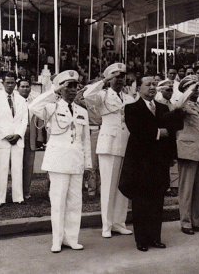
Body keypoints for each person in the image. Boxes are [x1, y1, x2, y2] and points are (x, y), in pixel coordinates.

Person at [29, 70, 92, 253]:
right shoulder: (51, 108)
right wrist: (53, 90)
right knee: (57, 201)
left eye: (74, 86)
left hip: (76, 162)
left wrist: (88, 164)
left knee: (75, 202)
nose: (73, 90)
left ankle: (71, 238)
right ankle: (57, 240)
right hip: (58, 162)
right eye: (68, 87)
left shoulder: (82, 112)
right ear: (61, 89)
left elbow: (85, 140)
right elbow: (33, 107)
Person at [119, 76, 181, 252]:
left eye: (154, 84)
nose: (152, 87)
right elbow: (136, 131)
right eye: (148, 85)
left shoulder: (163, 108)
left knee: (157, 201)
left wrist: (171, 155)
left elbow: (171, 132)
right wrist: (157, 132)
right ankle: (141, 239)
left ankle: (155, 237)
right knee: (141, 202)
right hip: (140, 163)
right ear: (138, 88)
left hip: (159, 162)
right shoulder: (131, 108)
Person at [83, 63, 135, 238]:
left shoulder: (129, 98)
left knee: (123, 187)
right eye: (116, 76)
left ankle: (119, 222)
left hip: (125, 145)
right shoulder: (103, 95)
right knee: (108, 187)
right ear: (109, 78)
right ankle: (106, 225)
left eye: (122, 76)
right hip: (109, 145)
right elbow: (87, 95)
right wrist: (103, 81)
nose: (120, 79)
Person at [176, 75, 199, 235]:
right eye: (193, 88)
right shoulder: (182, 104)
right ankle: (185, 222)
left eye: (197, 88)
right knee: (187, 189)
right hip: (188, 151)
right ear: (185, 89)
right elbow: (179, 106)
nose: (197, 91)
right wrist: (189, 91)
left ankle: (197, 221)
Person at [0, 72, 28, 208]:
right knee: (1, 169)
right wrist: (5, 134)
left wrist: (18, 134)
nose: (10, 85)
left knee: (17, 169)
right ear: (2, 83)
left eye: (12, 82)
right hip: (2, 139)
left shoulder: (21, 100)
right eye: (7, 82)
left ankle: (18, 197)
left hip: (17, 139)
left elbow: (24, 120)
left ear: (16, 83)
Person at [17, 79, 44, 200]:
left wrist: (39, 137)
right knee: (16, 165)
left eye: (27, 86)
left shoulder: (35, 102)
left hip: (30, 136)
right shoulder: (14, 101)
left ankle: (26, 191)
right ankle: (16, 192)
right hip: (17, 137)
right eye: (22, 86)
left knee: (28, 165)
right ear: (18, 88)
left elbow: (39, 119)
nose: (25, 89)